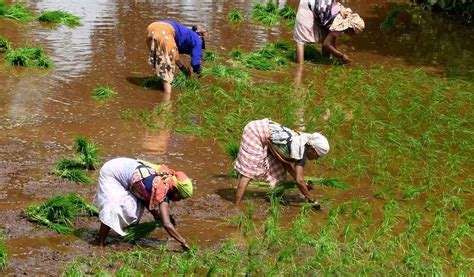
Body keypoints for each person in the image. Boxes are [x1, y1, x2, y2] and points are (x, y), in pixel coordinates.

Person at [94, 157, 193, 251]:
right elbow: (166, 224)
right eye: (180, 197)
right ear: (174, 189)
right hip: (112, 172)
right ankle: (100, 242)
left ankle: (124, 235)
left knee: (135, 211)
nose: (179, 200)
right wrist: (183, 242)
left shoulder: (163, 185)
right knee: (113, 209)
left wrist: (156, 214)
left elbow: (144, 196)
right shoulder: (160, 187)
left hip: (129, 175)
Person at [234, 118, 330, 207]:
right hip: (255, 132)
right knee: (249, 172)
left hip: (264, 132)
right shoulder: (301, 149)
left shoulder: (302, 144)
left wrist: (303, 183)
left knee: (280, 172)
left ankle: (277, 197)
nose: (316, 159)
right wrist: (311, 199)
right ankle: (236, 206)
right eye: (317, 156)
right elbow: (299, 180)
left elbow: (285, 162)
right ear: (312, 149)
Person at [146, 20, 208, 94]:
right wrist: (200, 72)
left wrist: (183, 69)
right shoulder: (198, 40)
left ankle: (158, 88)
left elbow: (173, 54)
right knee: (167, 73)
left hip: (152, 28)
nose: (201, 46)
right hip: (164, 31)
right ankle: (167, 100)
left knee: (161, 63)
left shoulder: (186, 34)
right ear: (201, 35)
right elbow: (195, 62)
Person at [294, 0, 365, 64]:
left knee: (326, 35)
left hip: (318, 5)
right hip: (307, 5)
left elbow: (330, 41)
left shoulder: (344, 15)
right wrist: (341, 56)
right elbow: (326, 44)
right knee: (301, 38)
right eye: (353, 34)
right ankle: (300, 66)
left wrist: (332, 58)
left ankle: (325, 58)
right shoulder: (340, 25)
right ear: (350, 28)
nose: (352, 36)